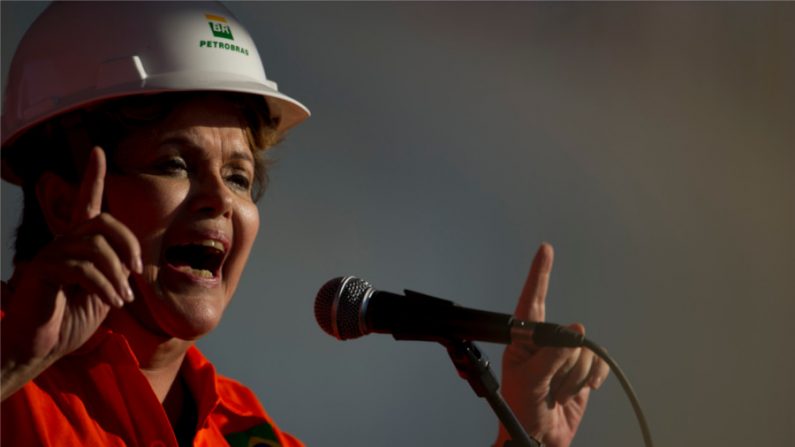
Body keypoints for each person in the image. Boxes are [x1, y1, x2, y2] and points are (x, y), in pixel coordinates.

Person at [0, 2, 608, 446]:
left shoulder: (242, 427)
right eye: (174, 164)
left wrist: (524, 438)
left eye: (240, 177)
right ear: (63, 202)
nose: (219, 199)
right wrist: (14, 363)